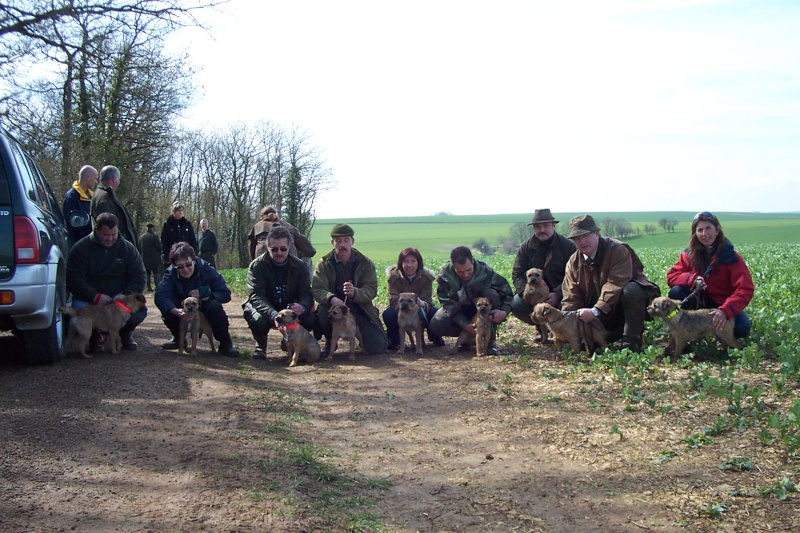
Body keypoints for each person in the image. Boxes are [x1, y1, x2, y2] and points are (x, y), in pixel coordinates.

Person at [561, 214, 660, 352]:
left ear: (596, 233)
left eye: (585, 236)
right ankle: (599, 337)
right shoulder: (573, 262)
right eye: (577, 238)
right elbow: (571, 295)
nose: (581, 241)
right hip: (598, 315)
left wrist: (596, 310)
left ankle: (631, 340)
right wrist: (569, 320)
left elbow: (615, 284)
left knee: (632, 289)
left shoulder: (618, 250)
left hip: (618, 308)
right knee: (587, 345)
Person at [66, 212, 147, 350]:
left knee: (139, 311)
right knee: (79, 311)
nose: (110, 238)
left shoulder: (127, 248)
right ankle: (94, 336)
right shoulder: (81, 249)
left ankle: (124, 334)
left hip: (120, 296)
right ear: (96, 230)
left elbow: (140, 275)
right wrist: (94, 296)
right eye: (105, 235)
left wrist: (126, 295)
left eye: (113, 234)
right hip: (89, 297)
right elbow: (73, 278)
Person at [666, 211, 753, 339]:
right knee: (676, 292)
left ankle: (719, 332)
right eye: (700, 230)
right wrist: (692, 279)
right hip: (698, 303)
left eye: (708, 228)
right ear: (695, 233)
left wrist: (725, 311)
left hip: (723, 303)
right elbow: (672, 276)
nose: (704, 234)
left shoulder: (731, 257)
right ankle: (684, 334)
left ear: (717, 230)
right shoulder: (688, 255)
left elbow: (745, 289)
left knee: (742, 328)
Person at [242, 225, 317, 360]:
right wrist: (273, 314)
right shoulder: (257, 266)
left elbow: (306, 293)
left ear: (289, 247)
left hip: (289, 308)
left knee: (310, 319)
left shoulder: (300, 266)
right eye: (274, 249)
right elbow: (256, 296)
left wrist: (302, 307)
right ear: (267, 247)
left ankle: (291, 341)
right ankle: (260, 346)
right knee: (258, 320)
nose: (279, 252)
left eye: (283, 249)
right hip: (267, 308)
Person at [312, 223, 388, 355]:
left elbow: (371, 289)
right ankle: (330, 341)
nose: (342, 245)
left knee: (377, 348)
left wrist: (356, 293)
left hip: (360, 307)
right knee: (324, 314)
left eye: (346, 240)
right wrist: (331, 298)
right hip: (333, 307)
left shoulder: (365, 263)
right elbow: (318, 289)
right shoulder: (324, 264)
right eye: (338, 241)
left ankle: (360, 338)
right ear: (332, 242)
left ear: (352, 241)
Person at [154, 242, 239, 357]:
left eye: (188, 264)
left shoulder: (207, 269)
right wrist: (175, 311)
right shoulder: (170, 274)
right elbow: (160, 296)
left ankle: (225, 343)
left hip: (205, 306)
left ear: (194, 260)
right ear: (175, 266)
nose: (185, 269)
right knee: (167, 310)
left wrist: (206, 293)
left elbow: (225, 294)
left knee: (215, 307)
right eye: (180, 266)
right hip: (182, 308)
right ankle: (179, 339)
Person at [429, 246, 514, 355]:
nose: (465, 274)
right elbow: (447, 303)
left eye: (469, 270)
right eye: (460, 272)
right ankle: (467, 339)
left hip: (484, 312)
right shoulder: (445, 275)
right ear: (452, 265)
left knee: (491, 294)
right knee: (437, 323)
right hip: (459, 310)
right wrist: (464, 324)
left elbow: (507, 293)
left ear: (472, 261)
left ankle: (490, 341)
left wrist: (504, 312)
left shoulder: (485, 271)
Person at [511, 209, 577, 335]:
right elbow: (517, 273)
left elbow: (574, 275)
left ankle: (564, 331)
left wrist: (557, 293)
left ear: (553, 226)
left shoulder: (567, 246)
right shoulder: (526, 248)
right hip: (534, 297)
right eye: (537, 227)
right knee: (516, 304)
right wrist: (527, 295)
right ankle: (542, 327)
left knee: (573, 305)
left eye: (546, 226)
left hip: (563, 294)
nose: (542, 230)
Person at [383, 247, 445, 350]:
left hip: (420, 308)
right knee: (388, 314)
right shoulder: (393, 278)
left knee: (435, 313)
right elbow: (393, 299)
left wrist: (421, 306)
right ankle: (395, 340)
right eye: (406, 261)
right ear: (400, 263)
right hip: (400, 309)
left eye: (413, 261)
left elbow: (428, 300)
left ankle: (435, 336)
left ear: (418, 263)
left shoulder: (426, 278)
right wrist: (404, 310)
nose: (409, 265)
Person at [248, 205, 316, 280]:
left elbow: (251, 249)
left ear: (261, 217)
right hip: (289, 268)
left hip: (263, 266)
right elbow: (309, 250)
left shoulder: (256, 227)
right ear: (276, 215)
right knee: (307, 256)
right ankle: (307, 285)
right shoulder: (288, 226)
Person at [90, 165, 136, 245]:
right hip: (115, 251)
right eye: (119, 179)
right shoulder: (104, 198)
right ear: (114, 179)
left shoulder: (103, 195)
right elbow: (107, 229)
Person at [62, 165, 97, 249]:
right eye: (95, 178)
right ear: (88, 178)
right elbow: (73, 225)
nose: (96, 182)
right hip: (78, 245)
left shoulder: (92, 196)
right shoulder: (71, 197)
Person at [161, 201, 197, 266]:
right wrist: (166, 257)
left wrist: (193, 255)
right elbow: (164, 242)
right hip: (172, 255)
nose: (180, 212)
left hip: (186, 255)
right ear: (173, 212)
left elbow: (192, 240)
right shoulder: (167, 224)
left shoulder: (187, 224)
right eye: (178, 210)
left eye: (181, 210)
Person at [138, 223, 162, 292]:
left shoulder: (141, 237)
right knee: (156, 273)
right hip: (154, 259)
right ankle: (157, 287)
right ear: (152, 228)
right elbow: (159, 247)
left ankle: (148, 287)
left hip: (144, 259)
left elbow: (138, 248)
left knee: (147, 273)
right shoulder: (154, 237)